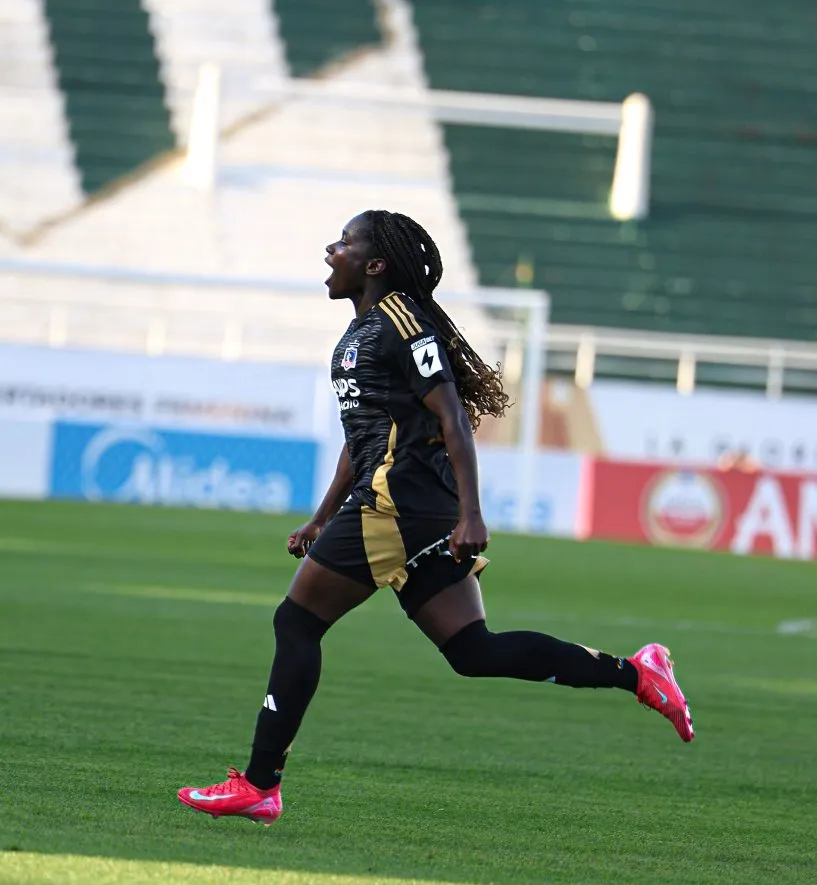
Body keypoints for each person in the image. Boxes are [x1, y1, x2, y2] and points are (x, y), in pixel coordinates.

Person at [178, 211, 694, 825]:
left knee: (296, 621)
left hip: (400, 502)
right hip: (408, 504)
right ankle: (638, 674)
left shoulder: (401, 321)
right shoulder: (361, 331)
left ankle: (261, 785)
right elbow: (364, 436)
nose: (329, 250)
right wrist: (322, 517)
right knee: (472, 650)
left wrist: (472, 513)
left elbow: (452, 416)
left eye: (344, 242)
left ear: (374, 263)